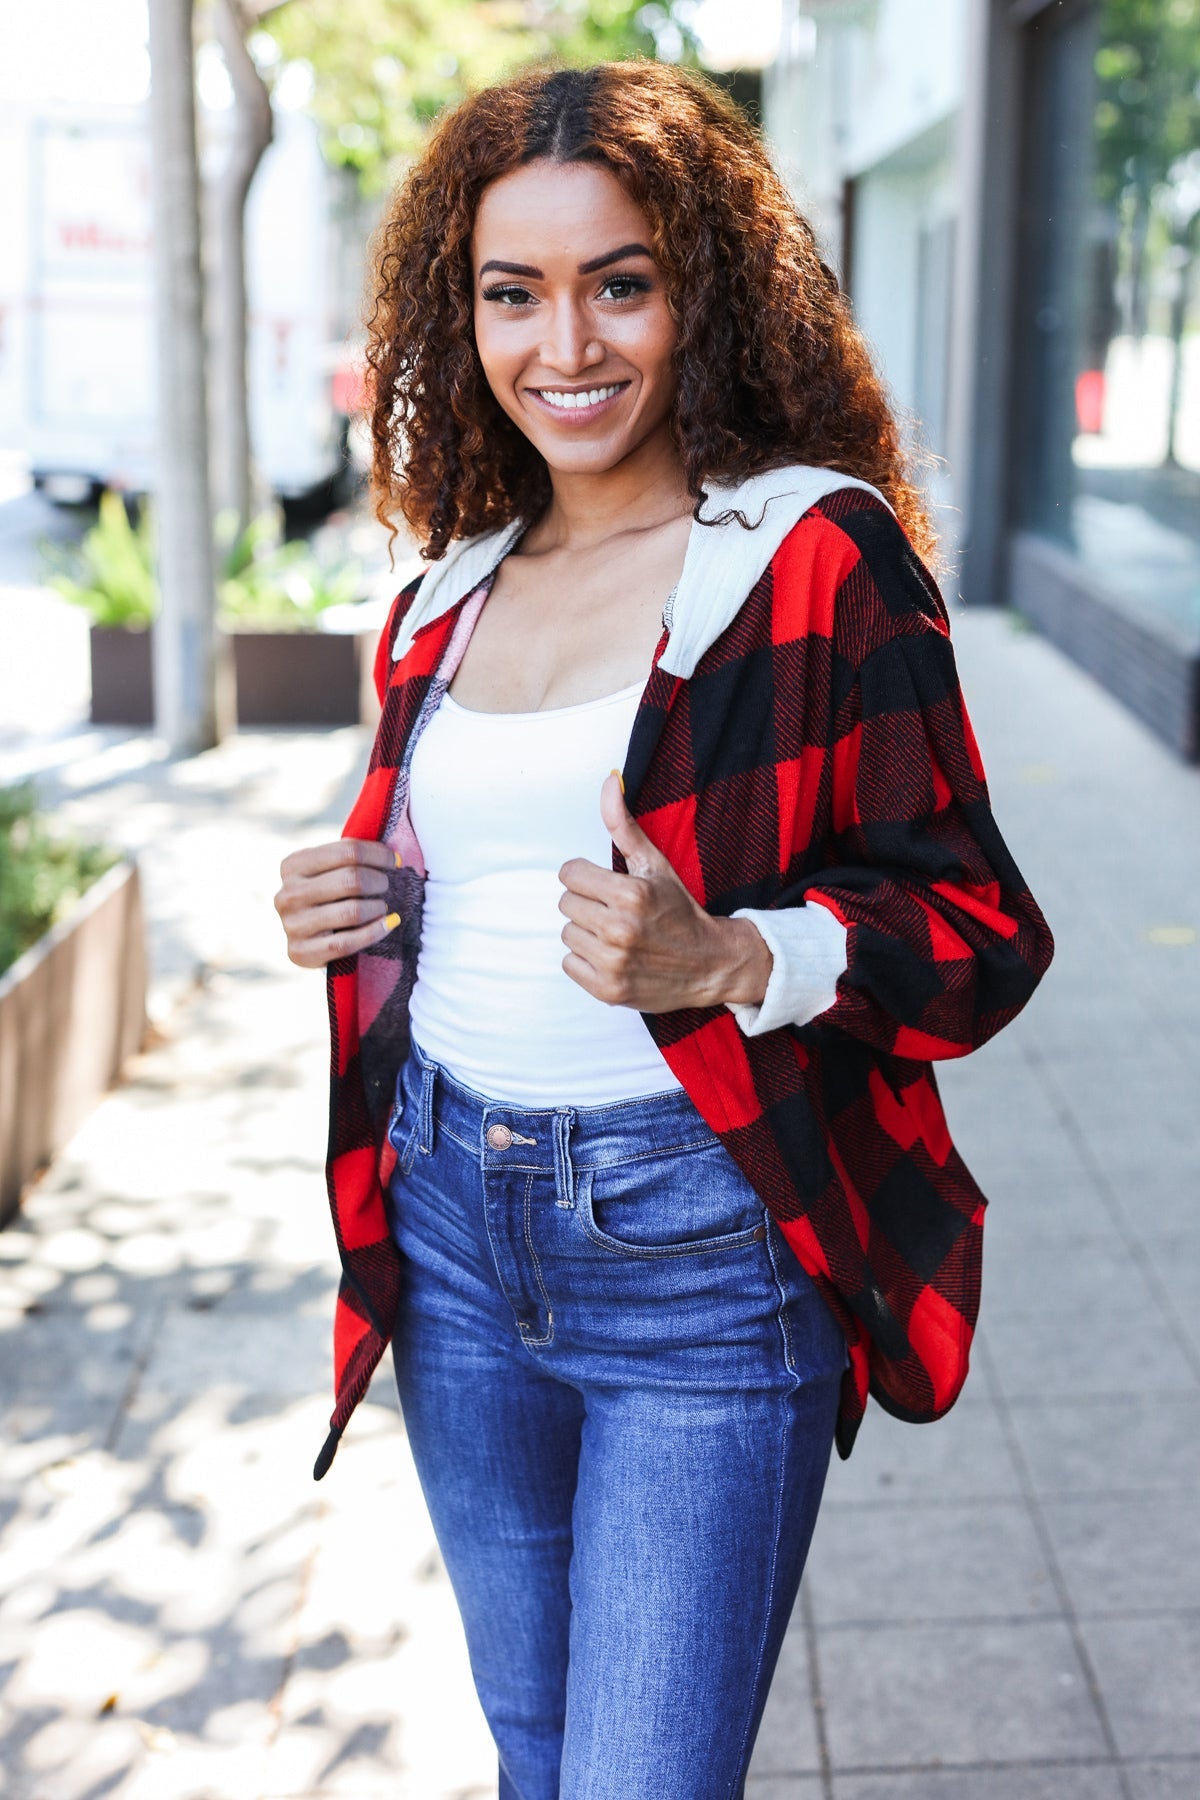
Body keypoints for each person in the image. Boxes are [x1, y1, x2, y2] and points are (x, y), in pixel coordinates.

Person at [274, 60, 1053, 1800]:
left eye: (619, 280)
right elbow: (430, 877)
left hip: (700, 1251)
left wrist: (738, 957)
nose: (569, 342)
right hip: (455, 1230)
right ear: (455, 311)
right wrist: (345, 900)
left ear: (700, 290)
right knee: (539, 1757)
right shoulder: (440, 592)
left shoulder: (806, 562)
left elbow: (985, 930)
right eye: (514, 290)